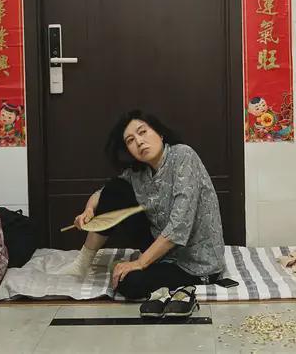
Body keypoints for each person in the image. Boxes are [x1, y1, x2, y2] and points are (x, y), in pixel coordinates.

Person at [58, 110, 225, 300]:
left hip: (195, 263)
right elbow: (102, 194)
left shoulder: (183, 156)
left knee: (128, 283)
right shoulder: (139, 173)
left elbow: (179, 227)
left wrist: (139, 263)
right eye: (130, 140)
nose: (138, 141)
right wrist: (88, 210)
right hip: (162, 253)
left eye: (142, 132)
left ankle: (150, 268)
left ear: (160, 133)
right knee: (115, 190)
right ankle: (82, 263)